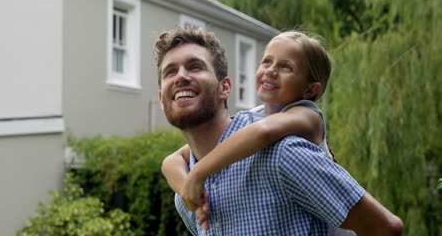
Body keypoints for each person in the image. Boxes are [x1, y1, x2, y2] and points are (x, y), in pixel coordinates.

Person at [155, 27, 403, 235]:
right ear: (161, 98)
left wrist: (198, 173)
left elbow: (387, 229)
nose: (181, 77)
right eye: (170, 72)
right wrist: (191, 181)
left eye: (195, 67)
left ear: (225, 88)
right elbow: (171, 160)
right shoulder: (188, 195)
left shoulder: (284, 151)